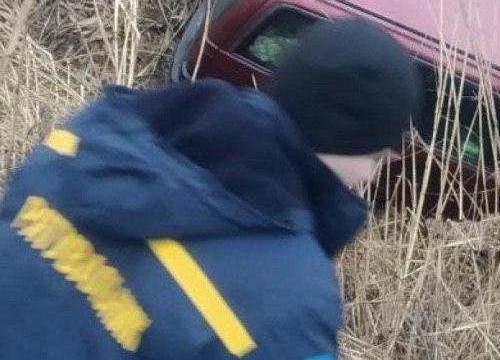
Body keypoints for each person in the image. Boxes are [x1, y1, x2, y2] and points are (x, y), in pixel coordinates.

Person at [0, 18, 421, 360]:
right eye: (376, 157)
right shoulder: (292, 299)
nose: (369, 178)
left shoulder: (103, 134)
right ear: (343, 138)